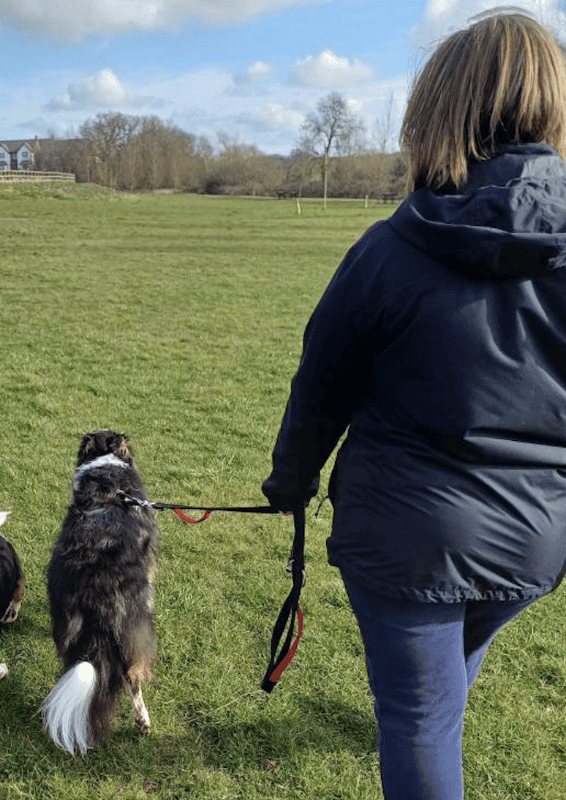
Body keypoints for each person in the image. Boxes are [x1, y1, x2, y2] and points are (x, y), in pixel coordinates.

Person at [262, 11, 566, 800]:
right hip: (536, 536)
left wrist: (289, 484)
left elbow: (319, 389)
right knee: (436, 687)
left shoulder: (388, 250)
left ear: (438, 111)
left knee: (420, 715)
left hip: (407, 533)